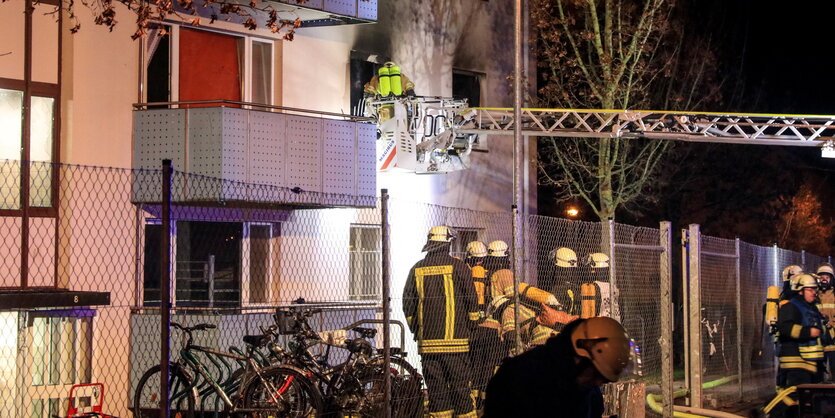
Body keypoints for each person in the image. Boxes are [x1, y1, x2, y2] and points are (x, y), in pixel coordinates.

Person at [483, 317, 632, 417]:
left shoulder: (585, 388)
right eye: (596, 375)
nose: (597, 383)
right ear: (577, 358)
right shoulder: (521, 378)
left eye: (603, 380)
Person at [403, 226, 478, 418]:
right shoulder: (458, 266)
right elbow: (471, 300)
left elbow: (408, 305)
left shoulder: (417, 268)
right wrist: (471, 326)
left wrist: (417, 330)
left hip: (428, 344)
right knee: (461, 389)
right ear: (448, 244)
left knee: (436, 393)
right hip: (456, 342)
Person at [774, 273, 824, 414]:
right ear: (800, 291)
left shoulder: (811, 308)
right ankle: (767, 412)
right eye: (810, 289)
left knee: (807, 398)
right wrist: (807, 332)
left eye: (815, 289)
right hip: (795, 360)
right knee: (794, 394)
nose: (814, 292)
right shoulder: (791, 307)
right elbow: (784, 328)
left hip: (810, 362)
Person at [464, 241, 503, 409]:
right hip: (493, 328)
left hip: (473, 327)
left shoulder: (464, 272)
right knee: (487, 368)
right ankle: (483, 404)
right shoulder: (492, 275)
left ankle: (472, 403)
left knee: (475, 366)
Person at [816, 263, 835, 381]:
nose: (824, 280)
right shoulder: (813, 293)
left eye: (826, 277)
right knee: (818, 368)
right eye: (821, 277)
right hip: (818, 337)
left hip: (833, 336)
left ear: (831, 279)